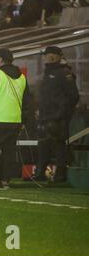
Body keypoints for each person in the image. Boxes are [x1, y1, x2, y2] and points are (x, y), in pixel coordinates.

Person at [0, 49, 32, 188]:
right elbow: (28, 101)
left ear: (1, 59)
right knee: (9, 153)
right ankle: (5, 180)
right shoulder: (22, 77)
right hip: (14, 121)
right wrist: (23, 120)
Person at [34, 46, 80, 183]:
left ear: (55, 56)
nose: (46, 57)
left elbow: (73, 96)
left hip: (57, 118)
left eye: (48, 55)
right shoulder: (49, 72)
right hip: (46, 116)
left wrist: (62, 113)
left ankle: (59, 175)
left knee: (58, 146)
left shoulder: (63, 73)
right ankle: (41, 173)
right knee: (44, 145)